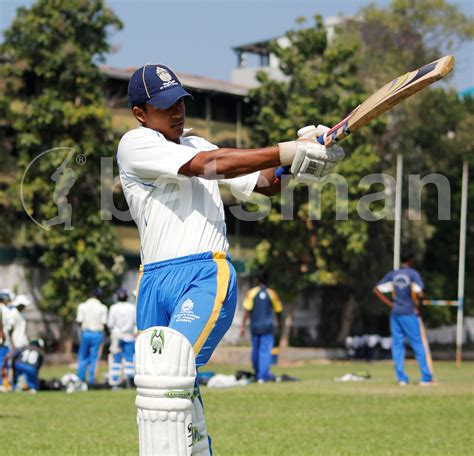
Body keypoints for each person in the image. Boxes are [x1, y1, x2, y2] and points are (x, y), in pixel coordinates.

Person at [117, 63, 344, 455]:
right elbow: (211, 166)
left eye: (180, 103)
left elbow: (265, 183)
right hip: (152, 281)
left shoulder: (197, 144)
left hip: (204, 274)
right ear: (140, 113)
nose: (177, 113)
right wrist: (288, 149)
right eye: (165, 106)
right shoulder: (135, 144)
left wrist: (300, 162)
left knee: (171, 373)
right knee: (164, 387)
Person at [373, 252, 434, 385]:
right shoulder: (413, 274)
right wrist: (419, 307)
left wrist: (390, 304)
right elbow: (420, 292)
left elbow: (376, 289)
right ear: (411, 260)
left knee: (397, 345)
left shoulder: (393, 274)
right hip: (409, 313)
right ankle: (426, 378)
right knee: (418, 344)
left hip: (395, 314)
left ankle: (401, 378)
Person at [239, 270, 283, 383]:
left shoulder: (251, 293)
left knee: (256, 350)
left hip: (255, 327)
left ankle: (257, 372)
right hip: (267, 327)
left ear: (257, 280)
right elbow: (278, 311)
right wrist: (279, 323)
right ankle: (263, 376)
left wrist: (243, 326)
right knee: (265, 351)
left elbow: (246, 311)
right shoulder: (272, 293)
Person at [76, 288, 108, 385]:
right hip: (97, 334)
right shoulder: (103, 307)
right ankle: (91, 379)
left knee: (83, 356)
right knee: (94, 357)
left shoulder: (82, 306)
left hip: (85, 333)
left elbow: (79, 321)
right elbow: (104, 322)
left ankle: (80, 378)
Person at [107, 288, 136, 387]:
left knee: (116, 360)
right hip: (129, 335)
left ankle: (115, 381)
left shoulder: (113, 308)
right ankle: (129, 380)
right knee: (129, 359)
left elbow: (110, 323)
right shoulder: (132, 307)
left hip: (117, 336)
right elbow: (135, 322)